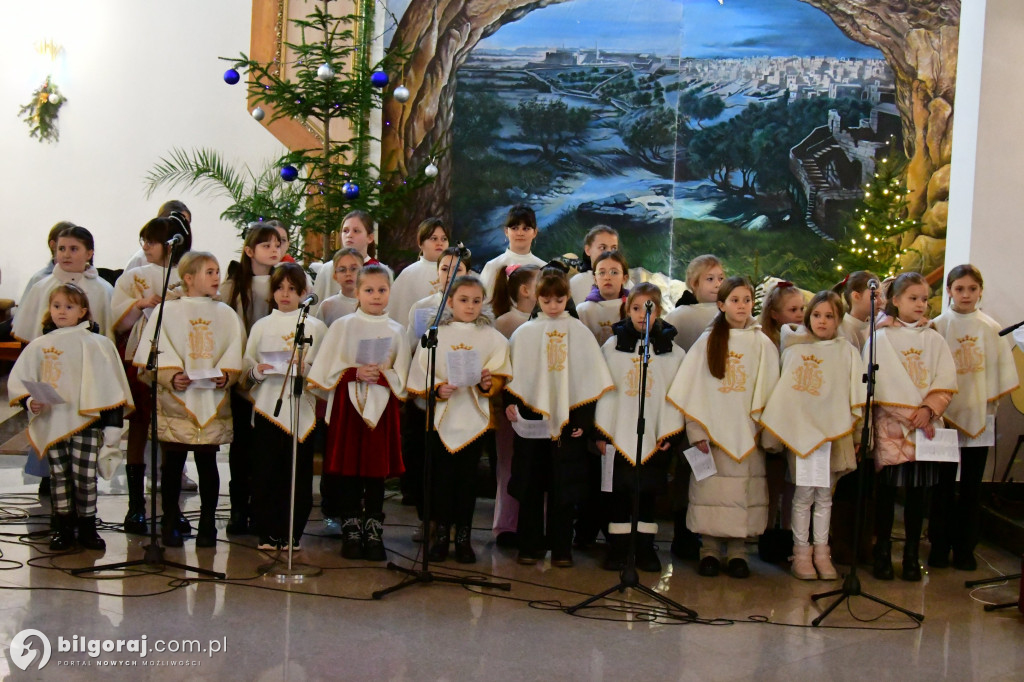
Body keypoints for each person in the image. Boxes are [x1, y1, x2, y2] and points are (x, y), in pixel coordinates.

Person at [666, 276, 780, 579]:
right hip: (711, 437)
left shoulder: (762, 343)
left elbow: (771, 392)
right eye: (734, 300)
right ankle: (710, 550)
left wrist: (765, 432)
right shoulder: (708, 341)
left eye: (746, 300)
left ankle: (739, 552)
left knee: (743, 493)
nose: (741, 306)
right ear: (721, 304)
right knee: (711, 493)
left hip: (748, 432)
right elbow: (692, 392)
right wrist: (697, 432)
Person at [8, 284, 132, 551]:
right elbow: (21, 382)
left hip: (87, 423)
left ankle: (87, 525)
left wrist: (112, 425)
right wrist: (31, 401)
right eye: (56, 306)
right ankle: (62, 526)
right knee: (59, 476)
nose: (61, 311)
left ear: (83, 311)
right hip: (53, 422)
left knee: (85, 477)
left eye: (69, 306)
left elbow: (110, 386)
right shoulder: (40, 346)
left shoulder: (98, 345)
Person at [133, 252, 244, 548]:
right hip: (177, 399)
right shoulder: (166, 313)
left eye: (217, 271)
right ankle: (169, 520)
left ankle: (208, 523)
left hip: (211, 398)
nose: (216, 277)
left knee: (208, 462)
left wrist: (227, 376)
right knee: (173, 462)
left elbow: (236, 351)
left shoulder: (226, 314)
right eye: (209, 271)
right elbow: (153, 353)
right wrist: (170, 376)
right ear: (189, 278)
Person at [504, 269, 613, 567]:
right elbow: (513, 375)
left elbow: (591, 381)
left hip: (568, 425)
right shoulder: (524, 333)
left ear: (568, 298)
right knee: (531, 485)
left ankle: (562, 548)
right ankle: (529, 545)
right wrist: (510, 403)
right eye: (547, 299)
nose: (553, 306)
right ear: (537, 298)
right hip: (531, 422)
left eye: (559, 299)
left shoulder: (579, 332)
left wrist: (583, 420)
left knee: (564, 489)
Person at [308, 264, 409, 561]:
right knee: (351, 471)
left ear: (389, 292)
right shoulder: (344, 326)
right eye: (369, 290)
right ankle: (351, 529)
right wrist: (354, 372)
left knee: (375, 472)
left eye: (382, 290)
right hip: (349, 406)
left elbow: (403, 377)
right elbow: (325, 371)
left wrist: (383, 375)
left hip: (381, 407)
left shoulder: (397, 330)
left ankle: (373, 530)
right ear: (358, 292)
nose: (376, 296)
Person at [760, 290, 864, 580]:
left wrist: (857, 437)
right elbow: (786, 396)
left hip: (834, 436)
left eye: (829, 316)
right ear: (808, 317)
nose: (822, 321)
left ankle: (822, 552)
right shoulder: (794, 351)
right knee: (803, 494)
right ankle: (801, 553)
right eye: (816, 315)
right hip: (803, 434)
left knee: (825, 496)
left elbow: (855, 395)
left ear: (838, 320)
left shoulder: (847, 352)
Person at [407, 275, 511, 563]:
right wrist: (437, 388)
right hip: (442, 418)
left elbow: (500, 372)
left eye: (476, 301)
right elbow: (420, 375)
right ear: (450, 302)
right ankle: (441, 536)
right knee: (441, 480)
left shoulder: (491, 337)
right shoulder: (435, 335)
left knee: (467, 481)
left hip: (474, 420)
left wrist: (488, 383)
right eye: (463, 300)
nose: (470, 306)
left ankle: (463, 538)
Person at [869, 271, 957, 581]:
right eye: (913, 298)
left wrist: (928, 409)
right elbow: (877, 384)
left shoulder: (934, 338)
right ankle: (882, 553)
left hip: (924, 426)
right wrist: (907, 413)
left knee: (919, 496)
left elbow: (944, 380)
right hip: (892, 427)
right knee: (887, 494)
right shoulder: (880, 337)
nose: (921, 304)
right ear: (895, 300)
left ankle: (909, 556)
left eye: (924, 299)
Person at [930, 265, 1018, 570]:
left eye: (972, 289)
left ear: (981, 291)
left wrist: (985, 400)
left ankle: (965, 548)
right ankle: (938, 546)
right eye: (959, 289)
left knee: (971, 486)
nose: (966, 295)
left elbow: (1000, 373)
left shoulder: (991, 329)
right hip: (944, 417)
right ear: (949, 291)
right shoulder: (938, 326)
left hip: (980, 415)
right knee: (942, 485)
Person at [593, 283, 685, 573]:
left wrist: (672, 433)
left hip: (654, 435)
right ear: (627, 309)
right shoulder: (612, 347)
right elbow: (603, 390)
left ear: (658, 311)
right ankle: (618, 549)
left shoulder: (672, 352)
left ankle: (645, 549)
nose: (641, 315)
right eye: (635, 308)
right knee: (618, 492)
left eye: (648, 309)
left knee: (647, 492)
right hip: (618, 432)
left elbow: (675, 395)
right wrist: (601, 432)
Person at [110, 214, 192, 534]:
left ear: (172, 244)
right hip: (142, 357)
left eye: (153, 241)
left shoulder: (185, 275)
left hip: (175, 358)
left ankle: (170, 505)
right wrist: (141, 303)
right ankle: (135, 507)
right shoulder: (135, 276)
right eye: (143, 240)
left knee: (173, 427)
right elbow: (118, 323)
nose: (146, 246)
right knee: (140, 424)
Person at [243, 263, 328, 551]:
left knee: (298, 474)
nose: (285, 294)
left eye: (293, 289)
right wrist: (257, 371)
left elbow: (326, 372)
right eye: (280, 288)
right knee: (267, 472)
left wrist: (307, 368)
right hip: (269, 406)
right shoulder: (261, 326)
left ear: (305, 293)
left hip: (301, 408)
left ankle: (292, 532)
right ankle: (268, 532)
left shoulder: (316, 327)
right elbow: (246, 367)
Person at [218, 224, 283, 535]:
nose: (274, 250)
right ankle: (238, 508)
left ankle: (262, 507)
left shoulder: (285, 282)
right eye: (265, 245)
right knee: (241, 445)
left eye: (278, 244)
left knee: (266, 447)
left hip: (274, 376)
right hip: (243, 376)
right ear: (249, 251)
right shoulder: (232, 286)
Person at [399, 247, 470, 530]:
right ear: (436, 272)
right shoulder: (422, 308)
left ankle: (455, 524)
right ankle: (427, 520)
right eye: (444, 269)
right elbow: (410, 348)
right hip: (427, 397)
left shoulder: (474, 310)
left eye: (458, 270)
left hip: (462, 398)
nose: (450, 275)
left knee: (455, 467)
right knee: (424, 462)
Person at [490, 264, 540, 545]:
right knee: (509, 466)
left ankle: (534, 525)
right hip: (510, 408)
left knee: (536, 468)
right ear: (525, 290)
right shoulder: (506, 322)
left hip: (537, 407)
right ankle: (507, 526)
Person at [14, 225, 114, 343]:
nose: (66, 255)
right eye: (61, 249)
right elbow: (30, 335)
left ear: (89, 253)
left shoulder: (103, 289)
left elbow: (107, 332)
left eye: (73, 249)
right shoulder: (41, 287)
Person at [310, 210, 381, 304]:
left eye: (356, 231)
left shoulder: (380, 270)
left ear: (370, 238)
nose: (349, 235)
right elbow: (315, 307)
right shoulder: (328, 269)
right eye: (345, 231)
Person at [388, 217, 451, 325]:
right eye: (434, 238)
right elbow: (399, 312)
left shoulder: (457, 271)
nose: (440, 243)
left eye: (444, 239)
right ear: (420, 243)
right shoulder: (409, 274)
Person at [479, 204, 545, 302]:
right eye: (514, 228)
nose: (520, 233)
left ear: (535, 232)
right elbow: (483, 304)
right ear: (506, 231)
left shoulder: (544, 267)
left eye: (526, 228)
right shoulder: (492, 266)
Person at [665, 254, 725, 352]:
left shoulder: (729, 312)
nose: (718, 284)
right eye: (710, 279)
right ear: (694, 283)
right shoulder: (679, 315)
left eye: (721, 279)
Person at [575, 251, 630, 346]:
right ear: (595, 279)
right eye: (601, 273)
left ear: (624, 278)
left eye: (614, 272)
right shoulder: (583, 310)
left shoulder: (635, 307)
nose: (607, 277)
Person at [124, 201, 192, 272]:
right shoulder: (140, 259)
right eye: (176, 224)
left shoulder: (190, 259)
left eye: (186, 224)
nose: (182, 230)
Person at [568, 225, 623, 304]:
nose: (609, 253)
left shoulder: (625, 281)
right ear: (588, 250)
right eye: (603, 248)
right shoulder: (576, 283)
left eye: (613, 248)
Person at [833, 270, 882, 352]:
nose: (881, 301)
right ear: (856, 296)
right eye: (875, 296)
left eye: (880, 295)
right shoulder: (840, 330)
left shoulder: (878, 323)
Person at [316, 247, 362, 326]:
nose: (348, 274)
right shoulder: (327, 306)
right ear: (335, 276)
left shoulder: (370, 303)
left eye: (353, 269)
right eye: (342, 270)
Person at [759, 281, 805, 349]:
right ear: (774, 314)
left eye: (802, 309)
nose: (800, 315)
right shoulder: (766, 341)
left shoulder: (806, 336)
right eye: (793, 310)